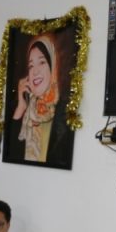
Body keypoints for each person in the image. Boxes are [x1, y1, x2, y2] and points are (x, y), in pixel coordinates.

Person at [10, 35, 70, 164]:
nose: (35, 71)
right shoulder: (27, 111)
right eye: (31, 66)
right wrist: (21, 107)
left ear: (53, 67)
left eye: (42, 62)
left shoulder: (64, 110)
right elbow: (11, 154)